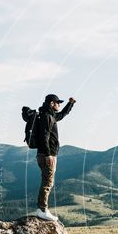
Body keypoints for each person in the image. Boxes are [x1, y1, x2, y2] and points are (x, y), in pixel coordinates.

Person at [34, 93, 75, 221]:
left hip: (47, 154)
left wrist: (70, 104)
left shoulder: (50, 115)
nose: (59, 105)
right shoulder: (47, 117)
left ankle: (42, 208)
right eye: (58, 103)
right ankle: (42, 210)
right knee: (47, 183)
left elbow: (62, 115)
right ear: (52, 103)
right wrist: (48, 155)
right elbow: (44, 137)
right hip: (47, 155)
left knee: (47, 182)